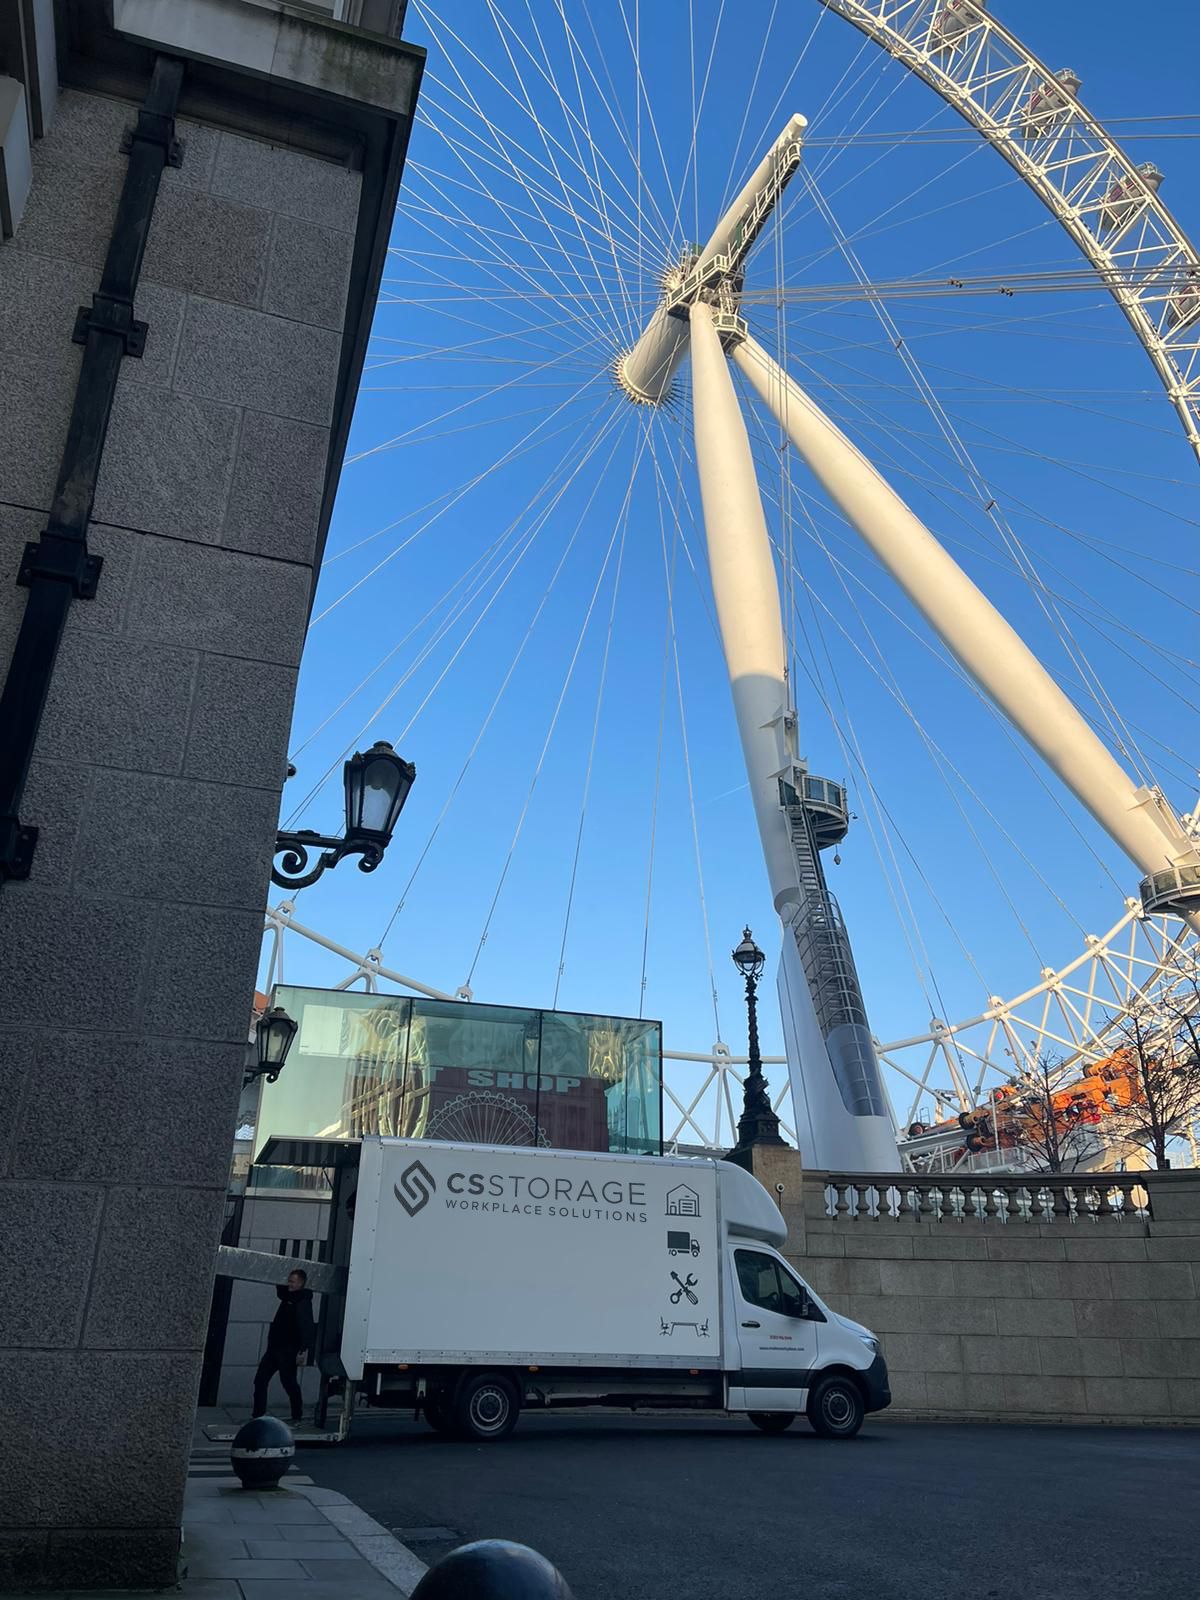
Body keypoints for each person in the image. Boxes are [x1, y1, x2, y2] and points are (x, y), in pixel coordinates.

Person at [252, 1269, 315, 1424]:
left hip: (288, 1349)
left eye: (292, 1281)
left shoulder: (302, 1301)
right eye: (289, 1281)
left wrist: (302, 1350)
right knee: (261, 1380)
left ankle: (296, 1415)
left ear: (300, 1283)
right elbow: (281, 1291)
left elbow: (306, 1326)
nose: (289, 1284)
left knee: (288, 1382)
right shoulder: (289, 1297)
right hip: (275, 1347)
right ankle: (257, 1414)